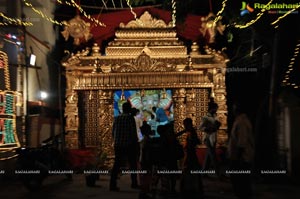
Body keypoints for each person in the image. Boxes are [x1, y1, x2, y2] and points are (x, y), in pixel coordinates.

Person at [110, 102, 139, 191]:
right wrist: (136, 144)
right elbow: (133, 132)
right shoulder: (130, 118)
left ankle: (112, 184)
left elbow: (113, 131)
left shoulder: (117, 118)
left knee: (117, 164)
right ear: (129, 109)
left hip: (118, 144)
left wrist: (116, 140)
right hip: (129, 144)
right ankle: (134, 183)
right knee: (133, 164)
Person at [228, 102, 254, 199]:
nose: (232, 110)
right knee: (243, 181)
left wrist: (237, 159)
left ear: (238, 109)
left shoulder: (241, 122)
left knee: (240, 181)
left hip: (241, 158)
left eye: (234, 108)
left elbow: (241, 142)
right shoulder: (240, 120)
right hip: (240, 157)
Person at [180, 118, 204, 199]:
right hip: (191, 154)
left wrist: (186, 147)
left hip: (190, 155)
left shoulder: (191, 132)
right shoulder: (190, 131)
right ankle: (194, 188)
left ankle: (189, 189)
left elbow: (190, 144)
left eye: (185, 124)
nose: (184, 126)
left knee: (188, 171)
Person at [199, 101, 221, 175]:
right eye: (215, 108)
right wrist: (208, 129)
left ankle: (204, 172)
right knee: (213, 156)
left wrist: (217, 126)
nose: (216, 110)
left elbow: (217, 125)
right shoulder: (206, 117)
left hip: (213, 137)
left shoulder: (215, 116)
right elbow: (200, 127)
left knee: (209, 156)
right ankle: (218, 173)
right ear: (212, 109)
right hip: (208, 138)